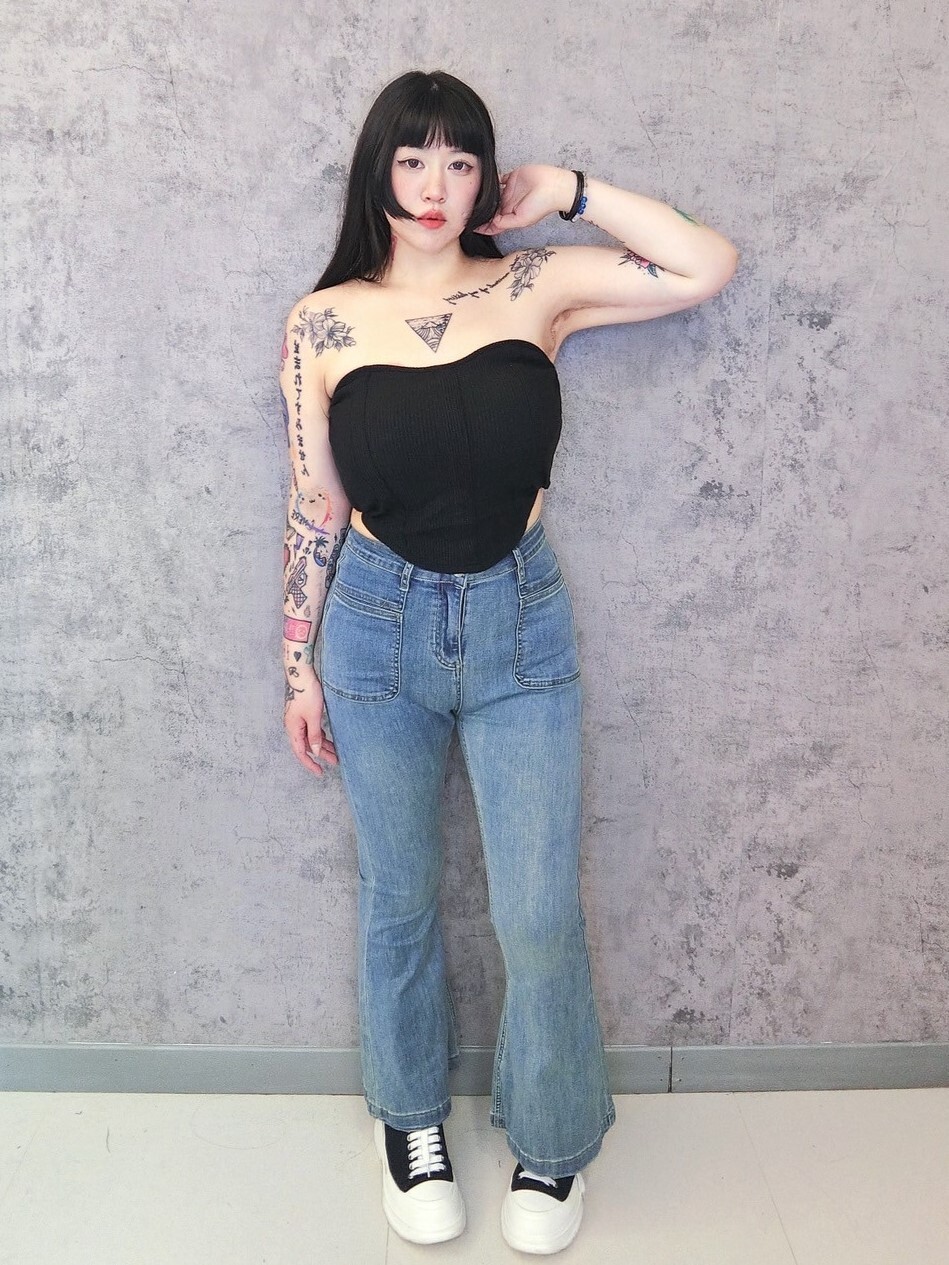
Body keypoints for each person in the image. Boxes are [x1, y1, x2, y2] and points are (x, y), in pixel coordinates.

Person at [278, 69, 737, 1255]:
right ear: (378, 172)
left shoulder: (535, 285)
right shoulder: (324, 321)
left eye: (459, 160)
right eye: (411, 159)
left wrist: (571, 189)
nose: (434, 186)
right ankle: (410, 1121)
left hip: (519, 622)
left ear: (486, 175)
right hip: (374, 625)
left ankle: (551, 1135)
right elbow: (316, 505)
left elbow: (704, 263)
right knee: (398, 897)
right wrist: (296, 662)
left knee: (536, 911)